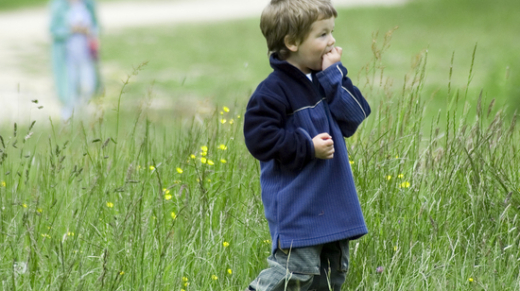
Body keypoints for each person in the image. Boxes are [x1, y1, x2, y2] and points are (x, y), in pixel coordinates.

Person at [243, 0, 371, 290]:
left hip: (335, 208)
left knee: (329, 279)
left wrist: (334, 78)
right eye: (322, 34)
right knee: (293, 274)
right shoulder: (273, 91)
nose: (332, 41)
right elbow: (259, 138)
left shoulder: (327, 79)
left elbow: (355, 117)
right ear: (292, 42)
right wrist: (306, 146)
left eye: (332, 32)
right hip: (298, 209)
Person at [50, 0, 100, 120]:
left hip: (86, 53)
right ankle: (67, 119)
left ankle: (84, 117)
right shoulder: (59, 5)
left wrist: (89, 30)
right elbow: (53, 30)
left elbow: (96, 26)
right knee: (69, 87)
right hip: (67, 54)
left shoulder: (88, 4)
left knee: (88, 85)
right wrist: (71, 29)